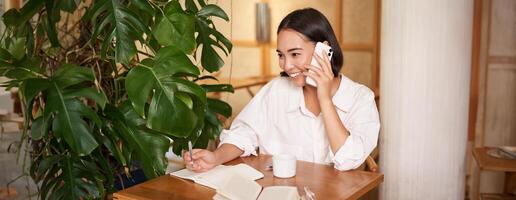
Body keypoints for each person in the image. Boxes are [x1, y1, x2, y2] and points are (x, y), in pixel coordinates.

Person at [183, 8, 380, 172]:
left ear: (324, 50)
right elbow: (244, 133)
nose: (286, 66)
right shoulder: (277, 90)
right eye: (281, 55)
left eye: (295, 54)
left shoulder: (360, 98)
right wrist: (215, 157)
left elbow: (348, 161)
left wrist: (325, 99)